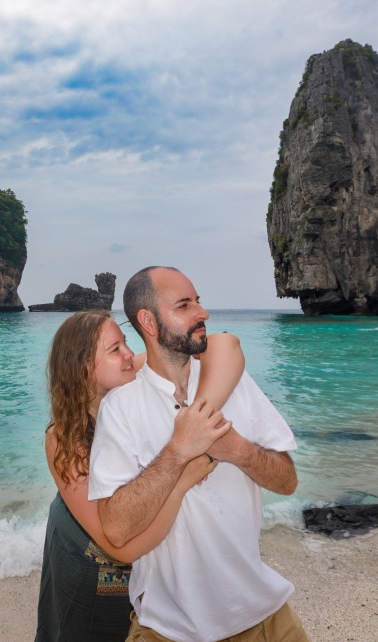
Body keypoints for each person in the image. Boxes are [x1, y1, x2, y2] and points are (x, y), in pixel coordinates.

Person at [88, 267, 310, 642]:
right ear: (149, 321)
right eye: (184, 305)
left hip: (264, 617)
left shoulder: (233, 382)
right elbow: (116, 527)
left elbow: (288, 481)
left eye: (199, 301)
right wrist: (177, 452)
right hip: (169, 628)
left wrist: (237, 449)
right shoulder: (121, 408)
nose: (202, 313)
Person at [35, 309, 246, 641]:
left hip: (150, 571)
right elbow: (121, 549)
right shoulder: (64, 440)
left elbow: (225, 345)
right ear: (83, 368)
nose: (130, 356)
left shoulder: (130, 378)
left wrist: (196, 419)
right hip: (87, 566)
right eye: (114, 349)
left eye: (125, 344)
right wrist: (182, 479)